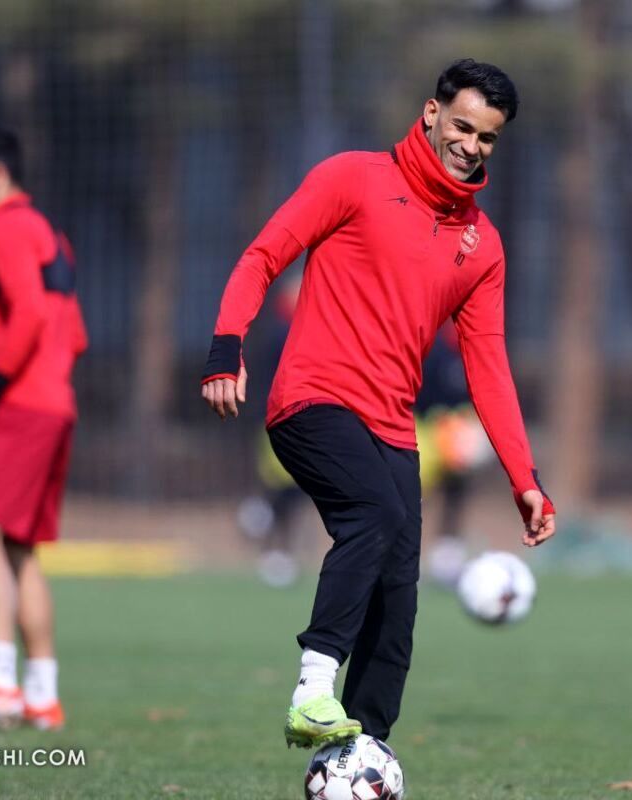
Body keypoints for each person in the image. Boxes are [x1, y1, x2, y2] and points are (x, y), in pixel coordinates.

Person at [202, 59, 556, 748]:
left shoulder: (483, 246)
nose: (471, 146)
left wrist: (524, 478)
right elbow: (262, 257)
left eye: (487, 137)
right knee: (374, 515)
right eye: (461, 127)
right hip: (312, 401)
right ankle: (313, 688)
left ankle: (365, 755)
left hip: (394, 428)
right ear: (431, 113)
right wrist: (225, 349)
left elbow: (489, 368)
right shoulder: (352, 178)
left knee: (398, 599)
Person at [0, 127, 87, 730]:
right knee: (17, 549)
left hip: (20, 405)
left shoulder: (5, 229)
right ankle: (41, 694)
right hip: (54, 403)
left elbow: (27, 314)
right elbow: (72, 332)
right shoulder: (49, 232)